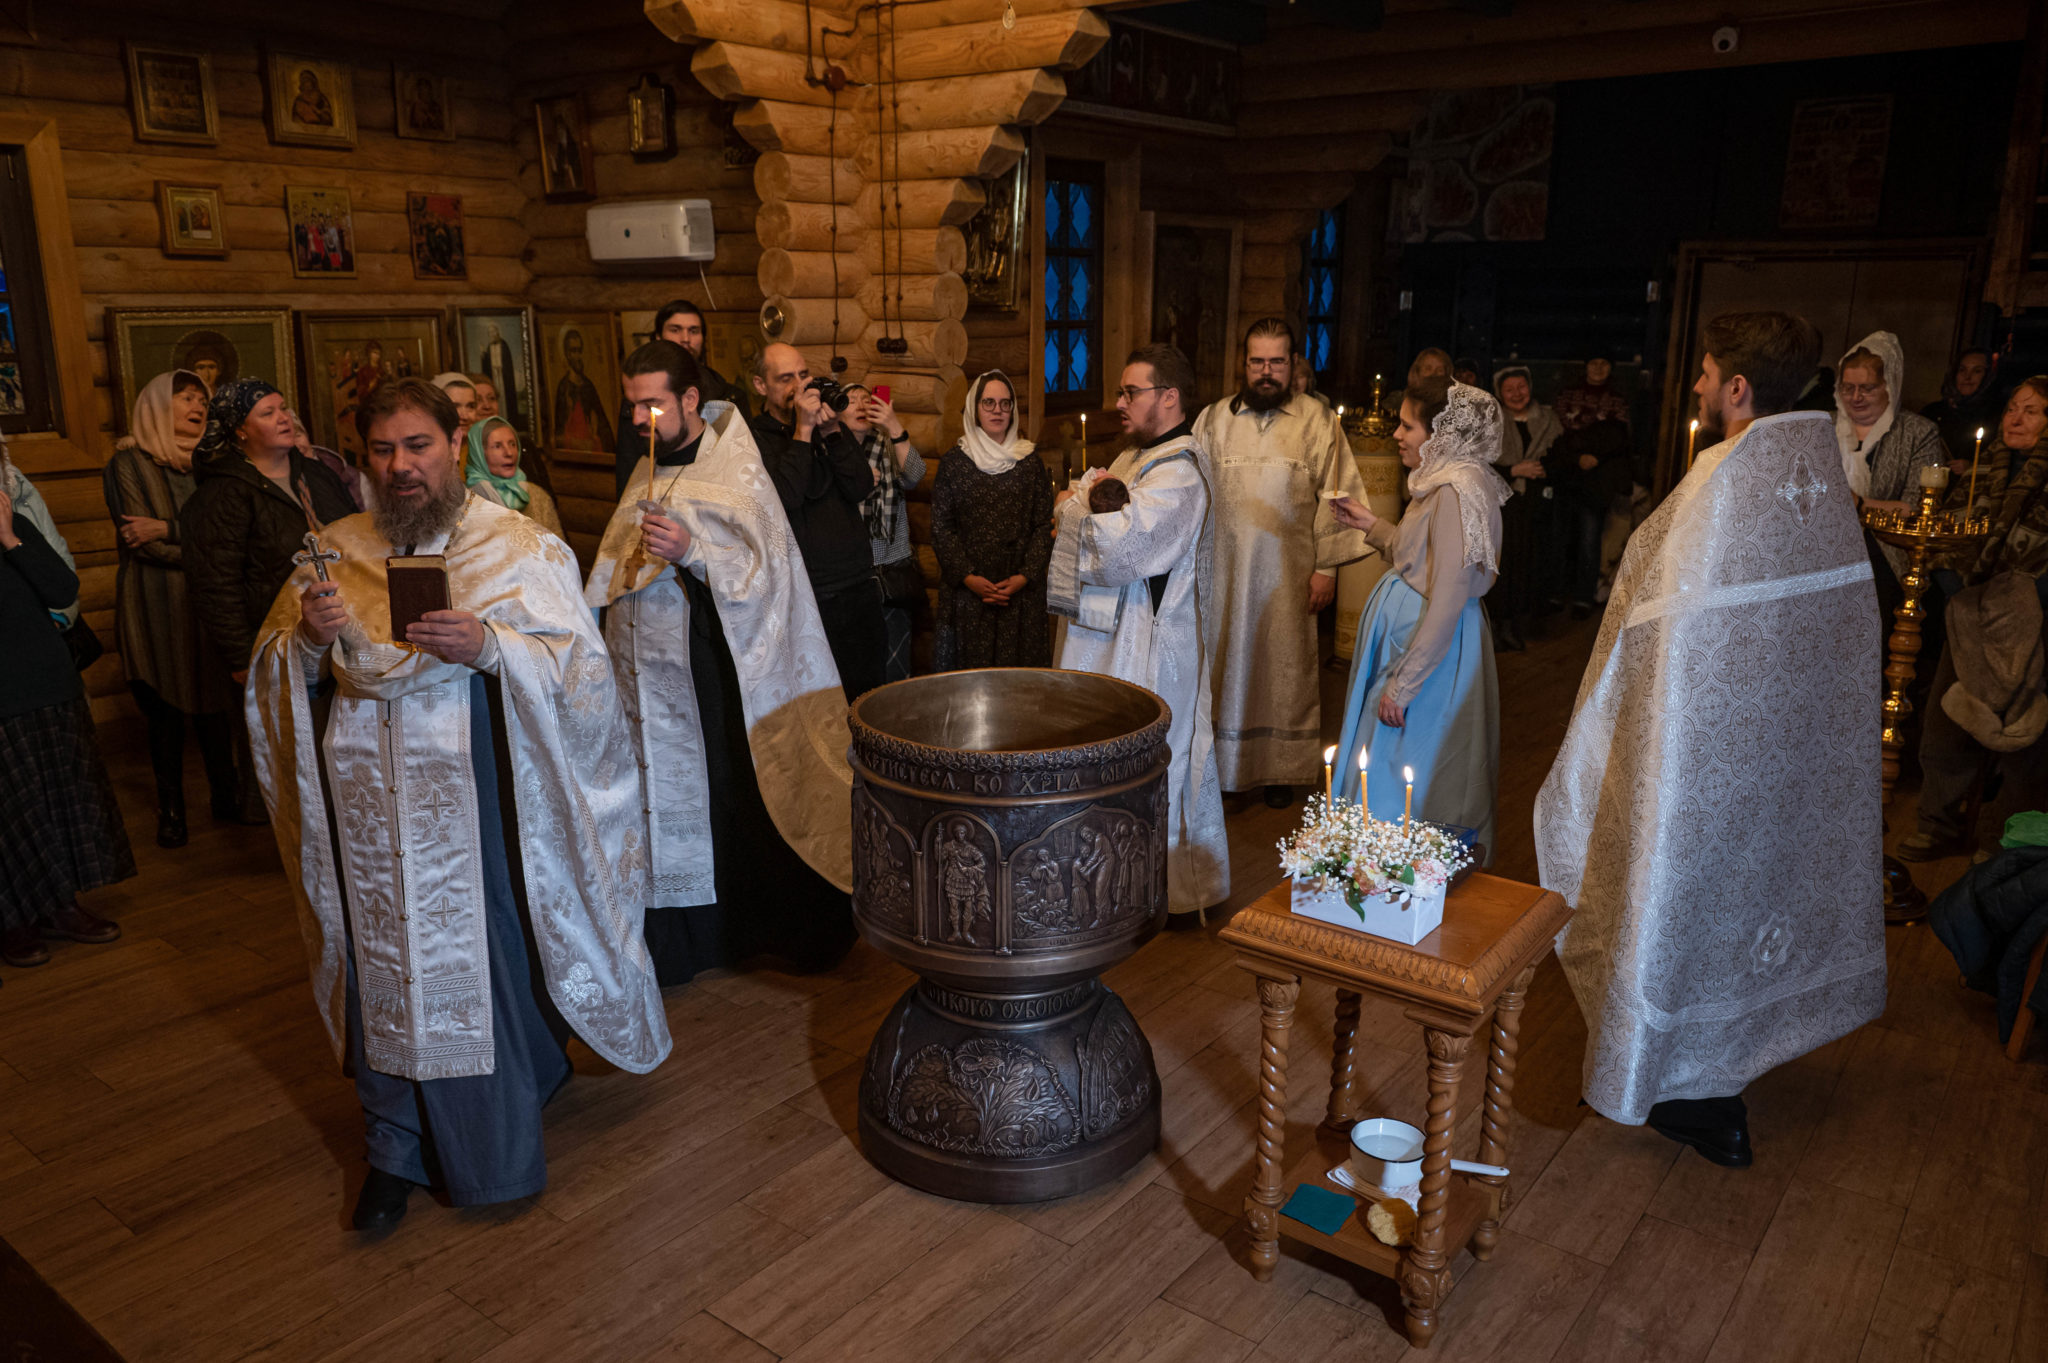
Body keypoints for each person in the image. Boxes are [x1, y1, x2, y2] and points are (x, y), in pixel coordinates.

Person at [248, 377, 669, 1230]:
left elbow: (584, 676)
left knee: (478, 956)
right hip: (368, 809)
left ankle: (489, 1146)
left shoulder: (518, 547)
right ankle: (392, 1146)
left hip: (480, 799)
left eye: (418, 446)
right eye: (382, 450)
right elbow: (273, 672)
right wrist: (309, 643)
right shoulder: (335, 548)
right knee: (381, 961)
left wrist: (491, 645)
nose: (400, 466)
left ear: (454, 444)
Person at [1537, 311, 1884, 1166]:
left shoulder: (1718, 487)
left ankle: (1678, 1081)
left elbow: (1650, 628)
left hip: (1701, 755)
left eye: (1703, 372)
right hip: (1785, 755)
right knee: (1749, 890)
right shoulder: (1821, 476)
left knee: (1681, 896)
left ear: (1736, 387)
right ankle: (1726, 1061)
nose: (1694, 386)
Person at [587, 340, 855, 984]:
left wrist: (693, 550)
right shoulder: (646, 467)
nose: (638, 419)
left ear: (689, 399)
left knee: (728, 796)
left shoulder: (736, 468)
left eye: (651, 406)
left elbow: (766, 574)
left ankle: (739, 932)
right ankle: (678, 940)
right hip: (646, 682)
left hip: (715, 674)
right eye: (632, 406)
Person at [1050, 344, 1228, 922]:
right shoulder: (1135, 457)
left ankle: (1160, 891)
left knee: (1153, 764)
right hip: (1115, 637)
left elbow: (1123, 548)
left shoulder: (1181, 473)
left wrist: (1072, 505)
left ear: (1168, 397)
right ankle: (1101, 891)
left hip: (1152, 647)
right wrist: (1086, 503)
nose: (1119, 402)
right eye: (1121, 392)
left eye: (1131, 392)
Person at [1194, 318, 1367, 809]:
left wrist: (1327, 569)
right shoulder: (1213, 420)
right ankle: (1224, 772)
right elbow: (1191, 492)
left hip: (1289, 576)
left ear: (1292, 364)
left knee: (1283, 671)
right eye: (1257, 362)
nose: (1266, 372)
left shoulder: (1318, 421)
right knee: (1224, 667)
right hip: (1223, 574)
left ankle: (1278, 771)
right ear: (1243, 363)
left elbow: (1339, 497)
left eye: (1276, 362)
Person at [1327, 378, 1505, 854]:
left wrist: (1404, 686)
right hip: (1422, 640)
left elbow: (1448, 594)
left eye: (1407, 426)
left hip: (1431, 650)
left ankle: (1389, 864)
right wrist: (1371, 524)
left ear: (1439, 433)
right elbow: (1423, 557)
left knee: (1402, 763)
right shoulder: (1446, 480)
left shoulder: (1456, 492)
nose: (1397, 435)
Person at [182, 379, 356, 824]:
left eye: (283, 408)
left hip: (344, 627)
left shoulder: (315, 474)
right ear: (240, 430)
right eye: (267, 412)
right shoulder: (224, 493)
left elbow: (356, 537)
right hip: (275, 636)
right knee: (289, 743)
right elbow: (214, 583)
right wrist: (242, 656)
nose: (284, 418)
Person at [1902, 376, 2048, 862]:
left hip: (2033, 622)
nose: (2016, 418)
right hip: (1970, 614)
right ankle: (1937, 824)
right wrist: (1958, 588)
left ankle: (2002, 840)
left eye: (2032, 411)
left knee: (2024, 733)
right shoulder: (1982, 471)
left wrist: (2023, 601)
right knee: (1947, 720)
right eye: (2012, 408)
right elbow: (1946, 532)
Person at [0, 467, 134, 975]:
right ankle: (14, 921)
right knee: (11, 816)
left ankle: (61, 905)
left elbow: (62, 589)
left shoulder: (14, 524)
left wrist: (10, 538)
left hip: (50, 686)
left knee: (61, 803)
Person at [102, 369, 237, 848]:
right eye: (185, 397)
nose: (198, 405)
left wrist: (169, 528)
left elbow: (227, 534)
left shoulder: (215, 462)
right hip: (154, 605)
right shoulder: (128, 463)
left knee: (215, 704)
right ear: (158, 406)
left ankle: (227, 798)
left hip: (209, 602)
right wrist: (199, 546)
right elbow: (145, 544)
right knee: (165, 711)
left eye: (202, 398)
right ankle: (172, 811)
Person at [749, 342, 887, 699]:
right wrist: (803, 431)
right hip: (807, 595)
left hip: (859, 586)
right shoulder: (753, 438)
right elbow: (785, 499)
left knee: (870, 698)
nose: (800, 386)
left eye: (804, 374)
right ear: (761, 385)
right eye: (785, 378)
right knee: (822, 703)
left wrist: (832, 433)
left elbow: (860, 486)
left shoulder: (829, 427)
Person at [931, 371, 1054, 671]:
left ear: (1013, 409)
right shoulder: (954, 463)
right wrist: (969, 578)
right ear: (975, 408)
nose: (997, 410)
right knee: (969, 683)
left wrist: (1024, 576)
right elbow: (942, 528)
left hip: (1020, 596)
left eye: (1005, 403)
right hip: (968, 596)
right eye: (988, 403)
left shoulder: (1029, 462)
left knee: (1019, 683)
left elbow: (1043, 525)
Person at [613, 300, 749, 497]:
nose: (685, 339)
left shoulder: (729, 397)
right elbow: (629, 467)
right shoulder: (638, 400)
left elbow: (739, 468)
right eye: (675, 330)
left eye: (694, 331)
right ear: (658, 337)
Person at [844, 383, 926, 682]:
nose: (860, 405)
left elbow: (915, 474)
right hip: (850, 575)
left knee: (893, 666)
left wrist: (893, 425)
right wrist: (857, 476)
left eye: (866, 399)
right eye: (851, 400)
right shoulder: (830, 452)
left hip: (891, 574)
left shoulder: (888, 445)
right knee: (854, 664)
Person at [1488, 365, 1562, 651]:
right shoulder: (1491, 421)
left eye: (1521, 387)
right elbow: (1481, 464)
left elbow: (1562, 454)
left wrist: (1543, 469)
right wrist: (1515, 470)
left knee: (1527, 565)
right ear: (1499, 393)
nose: (1517, 393)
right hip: (1502, 503)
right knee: (1502, 564)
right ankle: (1495, 626)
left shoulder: (1548, 418)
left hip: (1536, 503)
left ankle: (1513, 626)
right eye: (1509, 389)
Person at [464, 416, 563, 539]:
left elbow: (558, 544)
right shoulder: (467, 502)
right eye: (497, 446)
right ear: (479, 454)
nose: (509, 453)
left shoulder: (538, 495)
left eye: (512, 444)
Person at [1924, 348, 1998, 473]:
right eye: (1962, 370)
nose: (1967, 377)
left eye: (1977, 371)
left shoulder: (1995, 417)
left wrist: (1972, 468)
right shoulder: (1932, 412)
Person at [549, 329, 615, 455]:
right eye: (573, 351)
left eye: (579, 351)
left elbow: (602, 421)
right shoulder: (563, 387)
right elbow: (560, 431)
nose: (578, 356)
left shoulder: (588, 385)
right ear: (567, 354)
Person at [1553, 356, 1630, 431]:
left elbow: (1621, 429)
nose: (1598, 368)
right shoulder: (1566, 395)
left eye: (1604, 364)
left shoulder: (1619, 400)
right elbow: (1556, 424)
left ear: (1610, 368)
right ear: (1586, 367)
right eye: (1593, 363)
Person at [432, 373, 479, 450]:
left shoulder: (485, 451)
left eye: (471, 406)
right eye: (454, 407)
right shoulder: (426, 453)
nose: (465, 416)